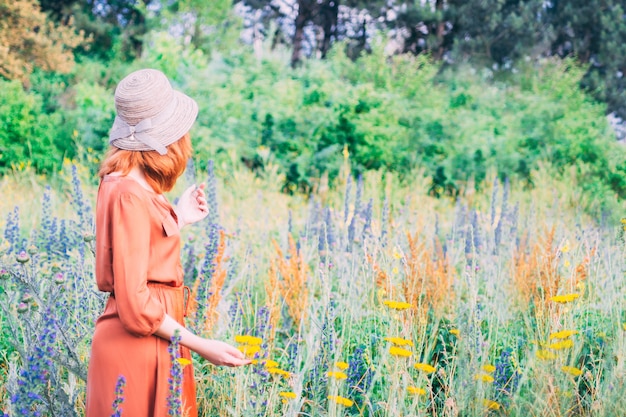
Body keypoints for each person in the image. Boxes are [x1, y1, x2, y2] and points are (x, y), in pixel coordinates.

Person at [86, 68, 250, 417]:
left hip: (151, 339)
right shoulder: (129, 194)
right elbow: (134, 301)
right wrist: (202, 345)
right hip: (140, 346)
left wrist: (178, 217)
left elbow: (134, 252)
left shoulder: (118, 184)